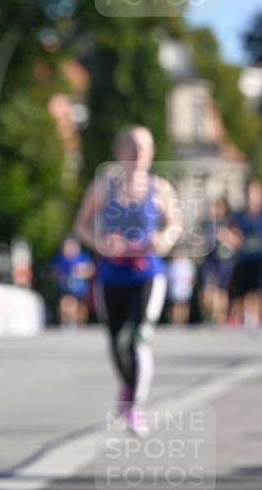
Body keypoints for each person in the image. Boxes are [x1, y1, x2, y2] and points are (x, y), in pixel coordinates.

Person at [74, 125, 182, 435]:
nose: (138, 154)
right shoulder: (104, 186)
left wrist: (163, 239)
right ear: (119, 152)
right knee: (116, 342)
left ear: (152, 153)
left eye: (144, 148)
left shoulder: (160, 188)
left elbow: (175, 224)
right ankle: (128, 387)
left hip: (147, 273)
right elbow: (81, 225)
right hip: (111, 274)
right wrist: (101, 242)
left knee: (138, 337)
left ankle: (135, 406)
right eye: (132, 147)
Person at [228, 178, 262, 327]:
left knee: (260, 292)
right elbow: (232, 234)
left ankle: (259, 321)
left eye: (256, 194)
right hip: (243, 259)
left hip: (260, 259)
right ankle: (243, 319)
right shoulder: (238, 216)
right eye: (250, 194)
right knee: (241, 293)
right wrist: (233, 238)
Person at [197, 198, 237, 325]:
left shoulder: (228, 222)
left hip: (223, 261)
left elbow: (236, 240)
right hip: (209, 260)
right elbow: (199, 241)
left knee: (221, 291)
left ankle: (220, 319)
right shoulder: (206, 224)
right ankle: (209, 317)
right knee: (207, 292)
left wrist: (225, 237)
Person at [51, 235, 94, 326]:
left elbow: (91, 271)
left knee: (81, 307)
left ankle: (80, 322)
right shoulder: (60, 259)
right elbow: (55, 273)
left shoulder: (83, 257)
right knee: (65, 302)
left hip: (81, 289)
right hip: (66, 288)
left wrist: (81, 272)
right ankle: (66, 321)